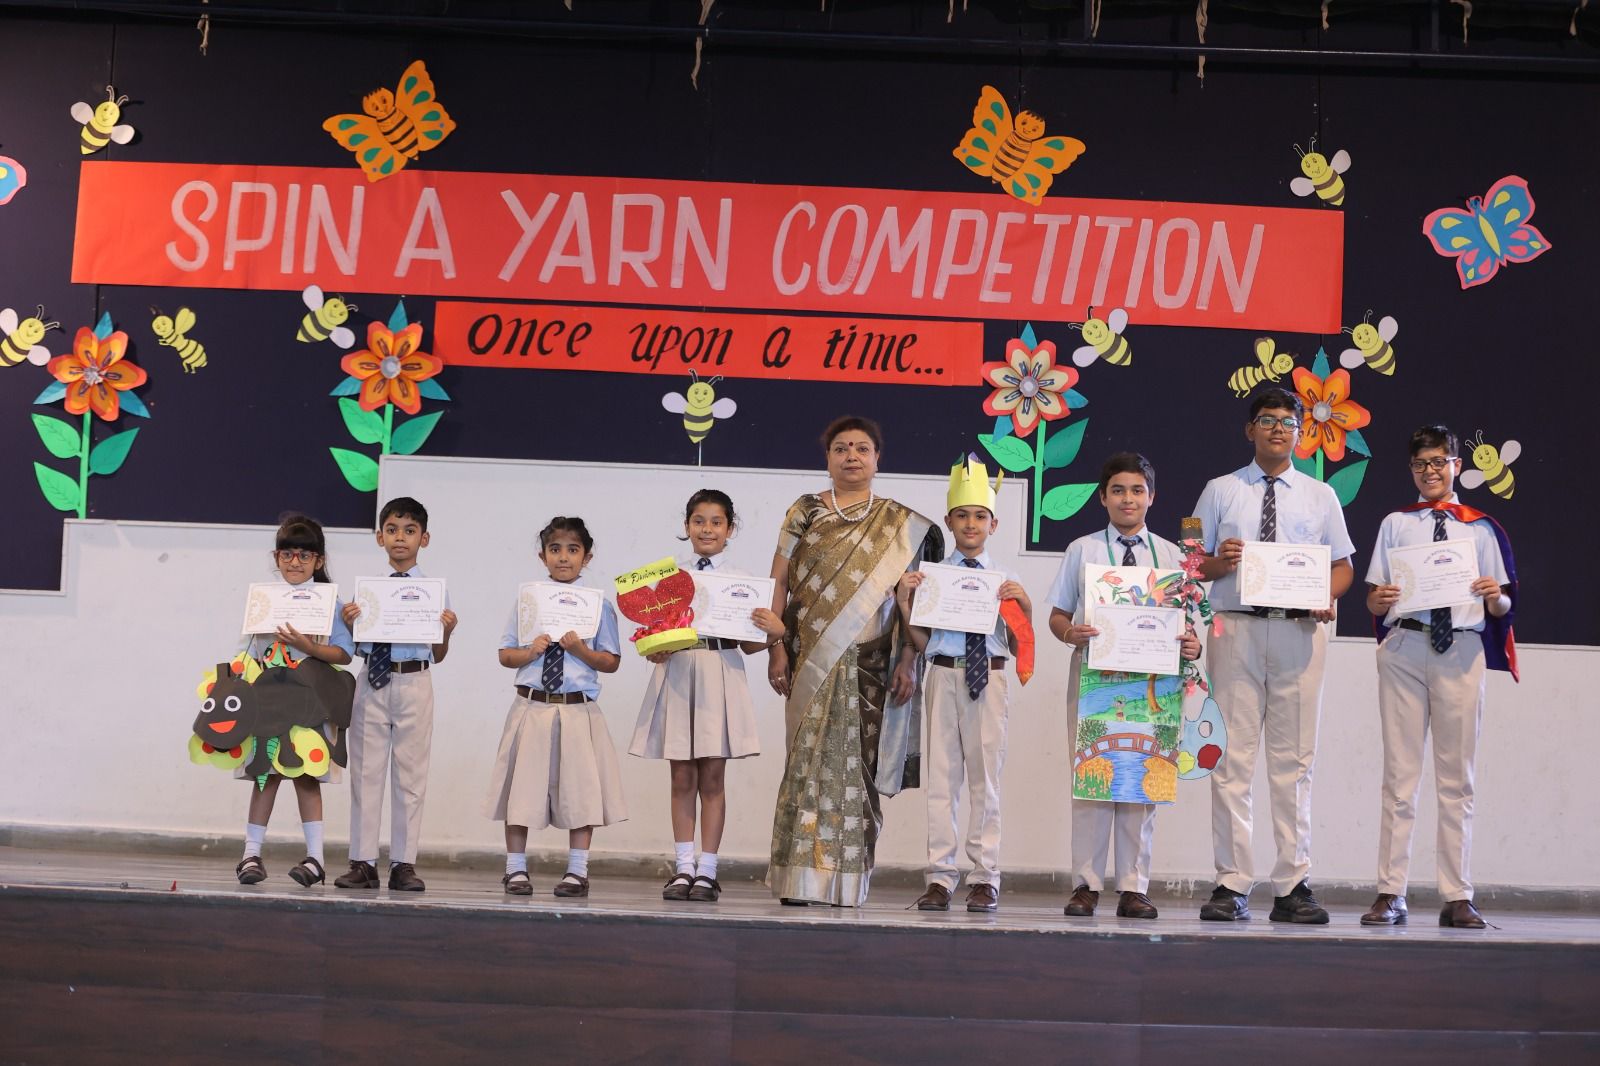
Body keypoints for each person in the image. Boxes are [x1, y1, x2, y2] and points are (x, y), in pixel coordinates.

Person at [1192, 388, 1354, 923]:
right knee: (1231, 760)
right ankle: (1231, 883)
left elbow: (1343, 568)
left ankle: (1293, 886)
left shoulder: (1320, 496)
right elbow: (1192, 563)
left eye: (1288, 421)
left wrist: (1326, 594)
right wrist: (1220, 562)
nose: (1279, 429)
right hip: (1235, 630)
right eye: (1267, 420)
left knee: (1295, 763)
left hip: (1298, 633)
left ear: (1301, 433)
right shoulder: (1221, 490)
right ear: (1250, 430)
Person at [766, 415, 943, 906]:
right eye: (841, 448)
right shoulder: (804, 511)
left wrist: (908, 659)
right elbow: (778, 581)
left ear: (877, 458)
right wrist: (775, 646)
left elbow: (914, 602)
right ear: (827, 458)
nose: (851, 456)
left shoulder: (900, 525)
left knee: (856, 773)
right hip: (808, 660)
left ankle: (847, 881)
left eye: (862, 448)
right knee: (805, 766)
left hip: (873, 664)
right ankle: (797, 880)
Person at [1361, 425, 1517, 930]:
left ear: (1455, 465)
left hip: (1462, 650)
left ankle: (1457, 895)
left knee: (1458, 779)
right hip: (1405, 647)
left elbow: (1504, 604)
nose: (1430, 471)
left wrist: (1495, 596)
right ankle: (1391, 892)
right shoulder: (1396, 524)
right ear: (1411, 470)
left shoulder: (1481, 529)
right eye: (1420, 464)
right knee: (1400, 777)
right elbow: (1373, 599)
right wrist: (1379, 600)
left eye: (1438, 462)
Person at [1047, 453, 1202, 919]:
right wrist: (1070, 633)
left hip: (1154, 684)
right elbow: (1057, 615)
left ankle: (1134, 887)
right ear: (1102, 497)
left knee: (1141, 780)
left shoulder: (1172, 556)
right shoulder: (1083, 550)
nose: (1127, 499)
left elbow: (1188, 625)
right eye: (1118, 490)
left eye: (1137, 490)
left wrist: (1192, 645)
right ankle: (1086, 885)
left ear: (1152, 497)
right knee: (1092, 778)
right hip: (1094, 677)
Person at [629, 490, 785, 903]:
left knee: (713, 777)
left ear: (730, 529)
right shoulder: (668, 579)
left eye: (717, 522)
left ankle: (708, 871)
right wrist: (654, 647)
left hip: (720, 670)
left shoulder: (742, 580)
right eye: (699, 521)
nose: (707, 529)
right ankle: (684, 867)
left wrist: (775, 632)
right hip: (679, 670)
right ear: (687, 526)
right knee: (681, 776)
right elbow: (654, 635)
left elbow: (749, 644)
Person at [899, 457, 1031, 913]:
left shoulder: (1005, 580)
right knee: (942, 779)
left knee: (985, 780)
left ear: (993, 524)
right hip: (943, 674)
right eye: (962, 515)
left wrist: (1024, 608)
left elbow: (1018, 644)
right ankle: (940, 876)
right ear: (949, 520)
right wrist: (906, 601)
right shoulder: (934, 578)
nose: (971, 524)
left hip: (989, 676)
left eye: (979, 516)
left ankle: (985, 876)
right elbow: (923, 642)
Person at [488, 516, 626, 899]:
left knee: (581, 792)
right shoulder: (528, 602)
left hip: (577, 708)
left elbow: (611, 661)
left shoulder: (598, 606)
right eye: (555, 549)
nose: (563, 557)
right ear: (542, 556)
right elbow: (505, 654)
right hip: (532, 705)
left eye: (573, 550)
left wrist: (580, 650)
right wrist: (530, 652)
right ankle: (515, 868)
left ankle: (577, 870)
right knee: (522, 790)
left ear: (587, 557)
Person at [336, 497, 458, 893]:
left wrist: (446, 631)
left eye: (409, 531)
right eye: (392, 530)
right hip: (371, 679)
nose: (400, 538)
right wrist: (349, 624)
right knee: (365, 774)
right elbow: (355, 647)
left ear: (424, 539)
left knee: (411, 776)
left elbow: (438, 654)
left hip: (413, 680)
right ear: (380, 537)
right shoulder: (368, 593)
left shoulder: (433, 592)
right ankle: (363, 862)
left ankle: (404, 864)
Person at [233, 514, 355, 888]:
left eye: (304, 555)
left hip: (310, 702)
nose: (295, 562)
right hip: (268, 699)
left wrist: (308, 646)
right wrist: (238, 676)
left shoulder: (330, 604)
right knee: (264, 776)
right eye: (287, 554)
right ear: (277, 557)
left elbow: (344, 653)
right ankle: (251, 854)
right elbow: (245, 650)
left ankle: (316, 859)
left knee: (306, 776)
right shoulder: (263, 602)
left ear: (319, 560)